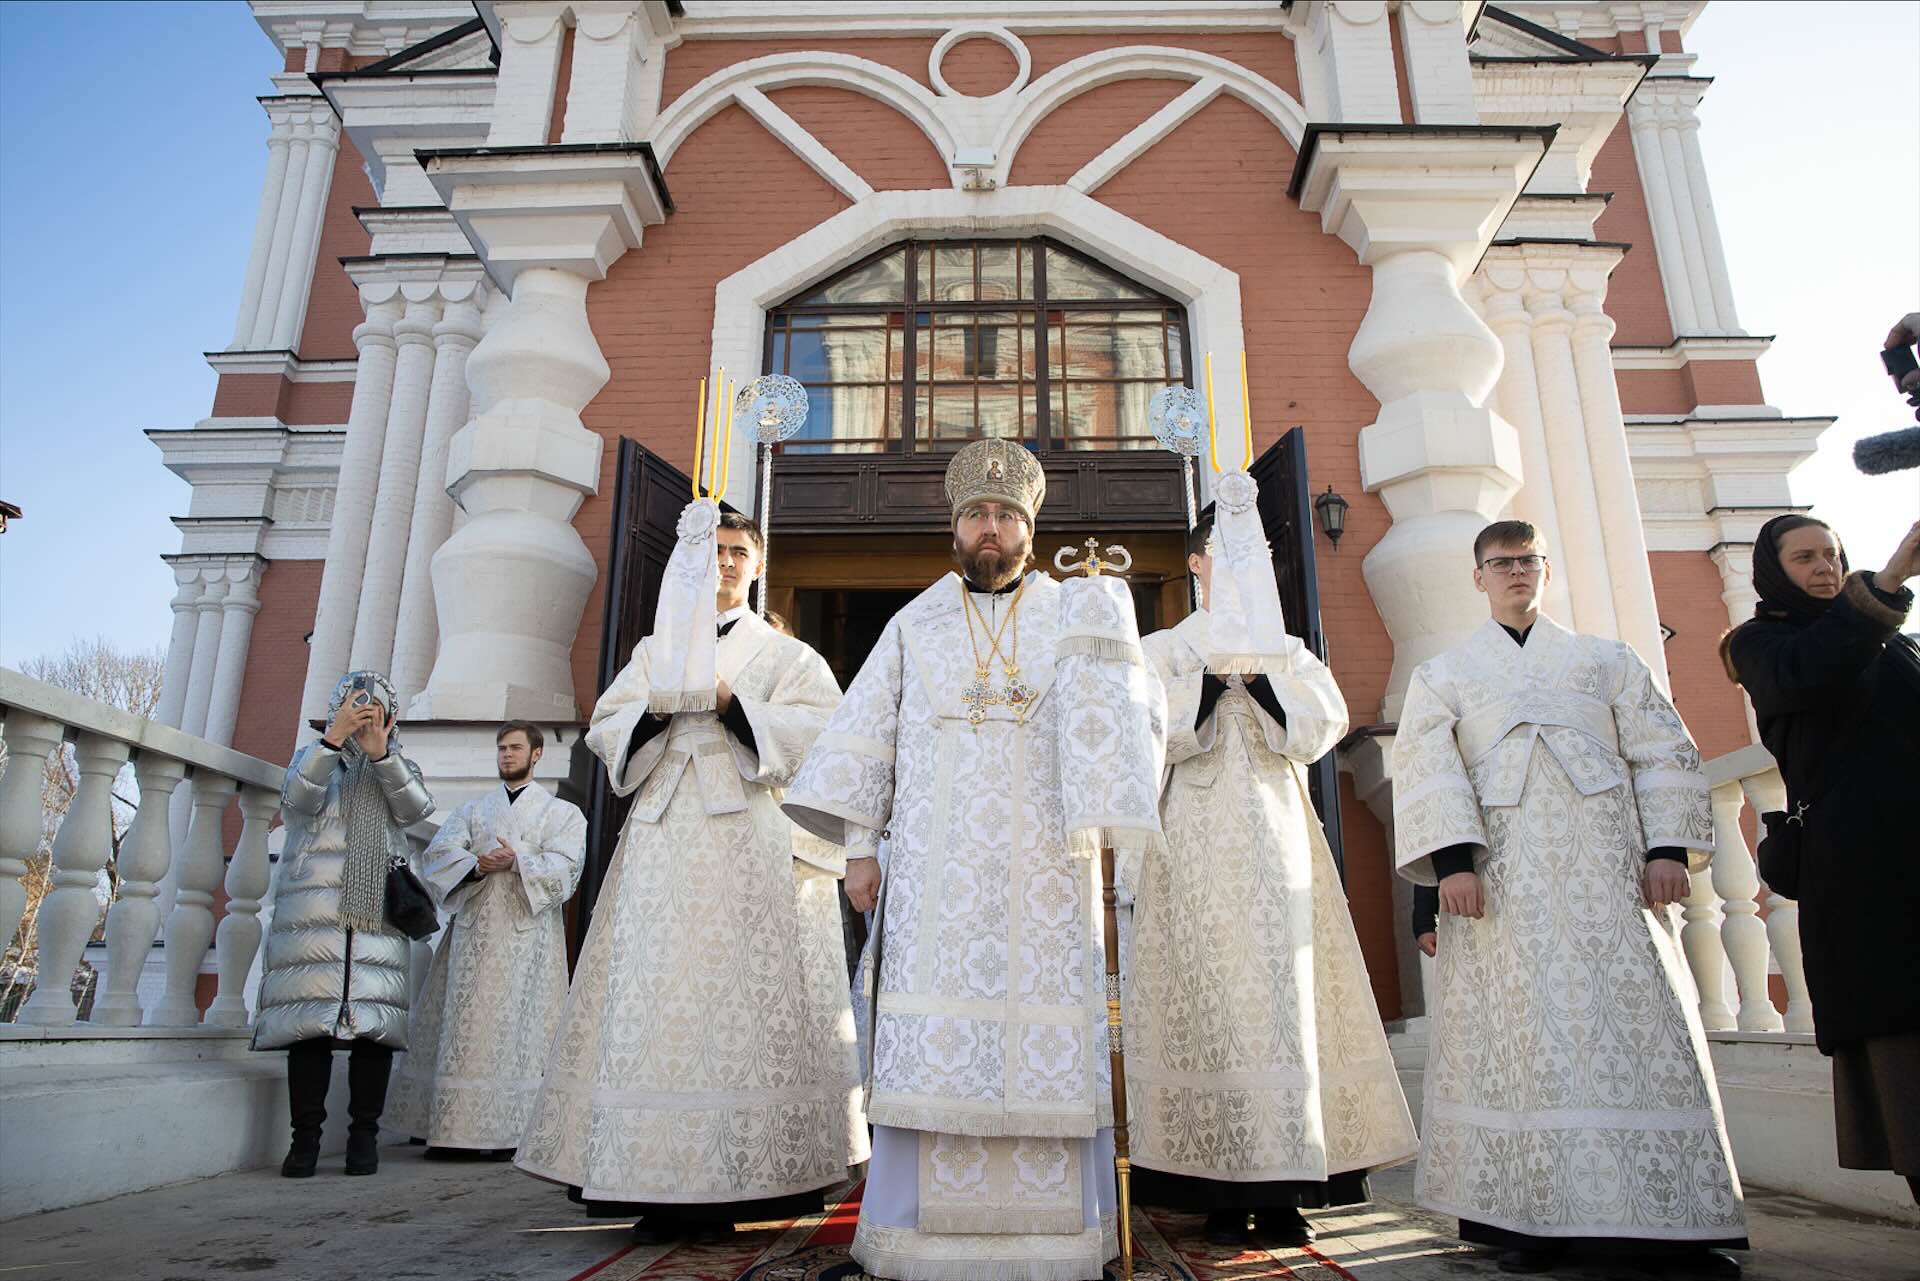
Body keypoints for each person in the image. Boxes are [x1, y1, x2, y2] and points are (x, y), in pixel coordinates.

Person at [784, 438, 1165, 1281]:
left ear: (1031, 529)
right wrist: (857, 851)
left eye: (1006, 516)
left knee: (1051, 1041)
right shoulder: (912, 622)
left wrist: (1111, 815)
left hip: (1050, 873)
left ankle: (1071, 1237)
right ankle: (905, 1240)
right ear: (954, 530)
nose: (990, 529)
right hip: (932, 874)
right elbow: (865, 743)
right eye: (976, 515)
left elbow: (1139, 721)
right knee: (929, 1043)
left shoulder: (1079, 610)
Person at [1392, 520, 1747, 1275]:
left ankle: (1671, 1225)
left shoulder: (1608, 660)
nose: (1516, 572)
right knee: (1527, 1041)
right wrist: (1453, 865)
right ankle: (1535, 1223)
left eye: (1528, 561)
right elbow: (1428, 771)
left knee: (1640, 1031)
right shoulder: (1445, 674)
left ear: (1545, 571)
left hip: (1610, 875)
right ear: (1478, 576)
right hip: (1504, 889)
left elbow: (1662, 751)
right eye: (1501, 563)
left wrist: (1665, 850)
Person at [515, 512, 866, 1243]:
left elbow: (827, 734)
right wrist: (661, 705)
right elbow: (607, 725)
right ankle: (647, 1169)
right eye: (718, 551)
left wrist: (731, 703)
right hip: (663, 837)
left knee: (737, 1002)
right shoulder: (654, 648)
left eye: (742, 552)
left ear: (758, 565)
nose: (729, 563)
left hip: (749, 839)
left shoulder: (788, 655)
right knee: (656, 999)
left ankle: (756, 1169)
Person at [1129, 507, 1416, 1246]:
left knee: (1285, 997)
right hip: (1191, 839)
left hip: (1277, 834)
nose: (1240, 565)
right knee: (1213, 999)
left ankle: (1289, 1185)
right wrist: (1206, 686)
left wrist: (1258, 685)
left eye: (1252, 552)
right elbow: (1139, 733)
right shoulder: (1163, 647)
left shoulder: (1287, 647)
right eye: (1225, 553)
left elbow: (1325, 722)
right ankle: (1218, 1187)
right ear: (1197, 563)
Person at [1721, 514, 1920, 1204]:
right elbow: (1812, 675)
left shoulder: (1894, 644)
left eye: (1832, 554)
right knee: (1902, 1047)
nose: (1825, 567)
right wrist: (1886, 584)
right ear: (1774, 570)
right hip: (1858, 874)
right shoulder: (1760, 643)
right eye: (1805, 557)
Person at [254, 670, 435, 1178]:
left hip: (377, 918)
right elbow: (295, 803)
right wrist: (332, 739)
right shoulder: (313, 761)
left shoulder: (399, 766)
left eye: (374, 711)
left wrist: (381, 754)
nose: (364, 720)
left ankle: (363, 1138)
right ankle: (304, 1142)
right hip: (316, 916)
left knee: (372, 1032)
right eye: (355, 710)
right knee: (308, 1032)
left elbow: (416, 809)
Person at [387, 722, 587, 1159]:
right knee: (465, 1027)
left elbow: (568, 869)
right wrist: (476, 864)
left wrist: (520, 861)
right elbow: (439, 853)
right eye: (501, 748)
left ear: (537, 754)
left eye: (515, 747)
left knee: (520, 1030)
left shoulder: (563, 815)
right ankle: (453, 1130)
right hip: (473, 939)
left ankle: (509, 1132)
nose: (506, 755)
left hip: (527, 940)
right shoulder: (473, 810)